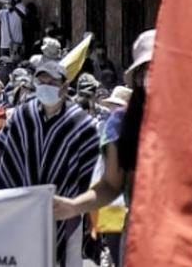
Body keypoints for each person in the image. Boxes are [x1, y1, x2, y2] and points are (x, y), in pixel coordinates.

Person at [0, 59, 100, 267]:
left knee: (65, 258)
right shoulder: (23, 114)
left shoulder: (82, 124)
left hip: (65, 205)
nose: (45, 87)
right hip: (27, 203)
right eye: (41, 81)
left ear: (64, 87)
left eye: (51, 82)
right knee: (27, 254)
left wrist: (88, 212)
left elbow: (92, 172)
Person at [53, 31, 154, 242]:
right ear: (137, 78)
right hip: (142, 238)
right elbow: (110, 184)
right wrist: (74, 206)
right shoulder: (121, 123)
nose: (154, 75)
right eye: (147, 70)